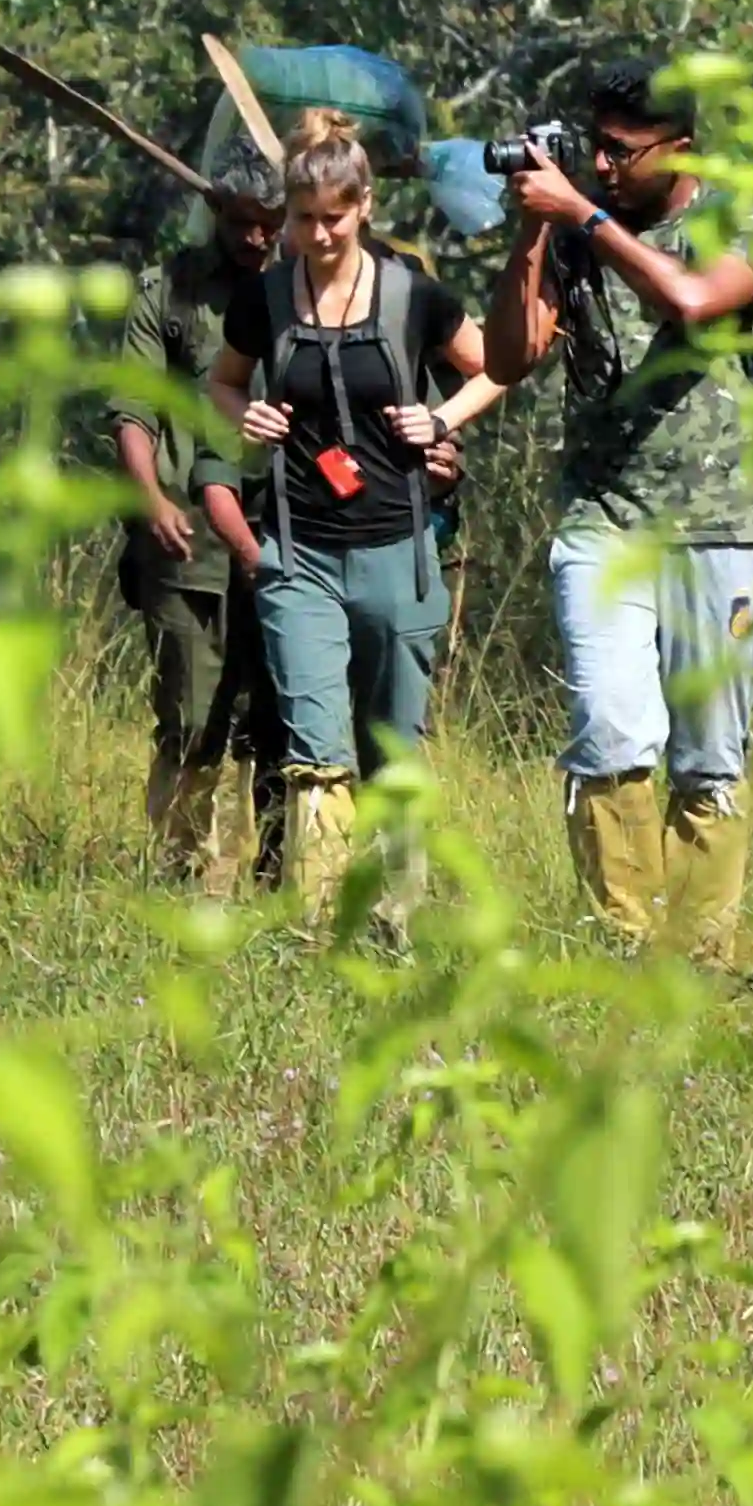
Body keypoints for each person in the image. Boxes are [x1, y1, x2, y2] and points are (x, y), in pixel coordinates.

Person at [482, 58, 753, 966]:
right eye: (593, 146)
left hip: (719, 523)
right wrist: (533, 236)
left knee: (709, 756)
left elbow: (689, 301)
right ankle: (627, 946)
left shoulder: (739, 224)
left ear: (680, 149)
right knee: (611, 732)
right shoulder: (575, 228)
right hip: (603, 517)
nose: (602, 165)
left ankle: (699, 959)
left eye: (621, 151)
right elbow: (508, 354)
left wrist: (586, 216)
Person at [206, 111, 500, 927]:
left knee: (392, 750)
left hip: (398, 552)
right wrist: (249, 414)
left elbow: (493, 366)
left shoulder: (411, 292)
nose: (319, 234)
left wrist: (441, 423)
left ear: (364, 205)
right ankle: (320, 921)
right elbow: (224, 382)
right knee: (315, 751)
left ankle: (391, 920)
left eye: (334, 217)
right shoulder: (266, 297)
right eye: (304, 219)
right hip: (298, 553)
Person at [116, 175, 282, 891]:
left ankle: (279, 876)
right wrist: (150, 498)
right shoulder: (169, 291)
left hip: (285, 531)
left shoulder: (309, 285)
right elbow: (132, 408)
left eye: (270, 224)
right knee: (190, 717)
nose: (256, 238)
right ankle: (187, 877)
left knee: (280, 720)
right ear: (217, 213)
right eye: (243, 223)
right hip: (188, 537)